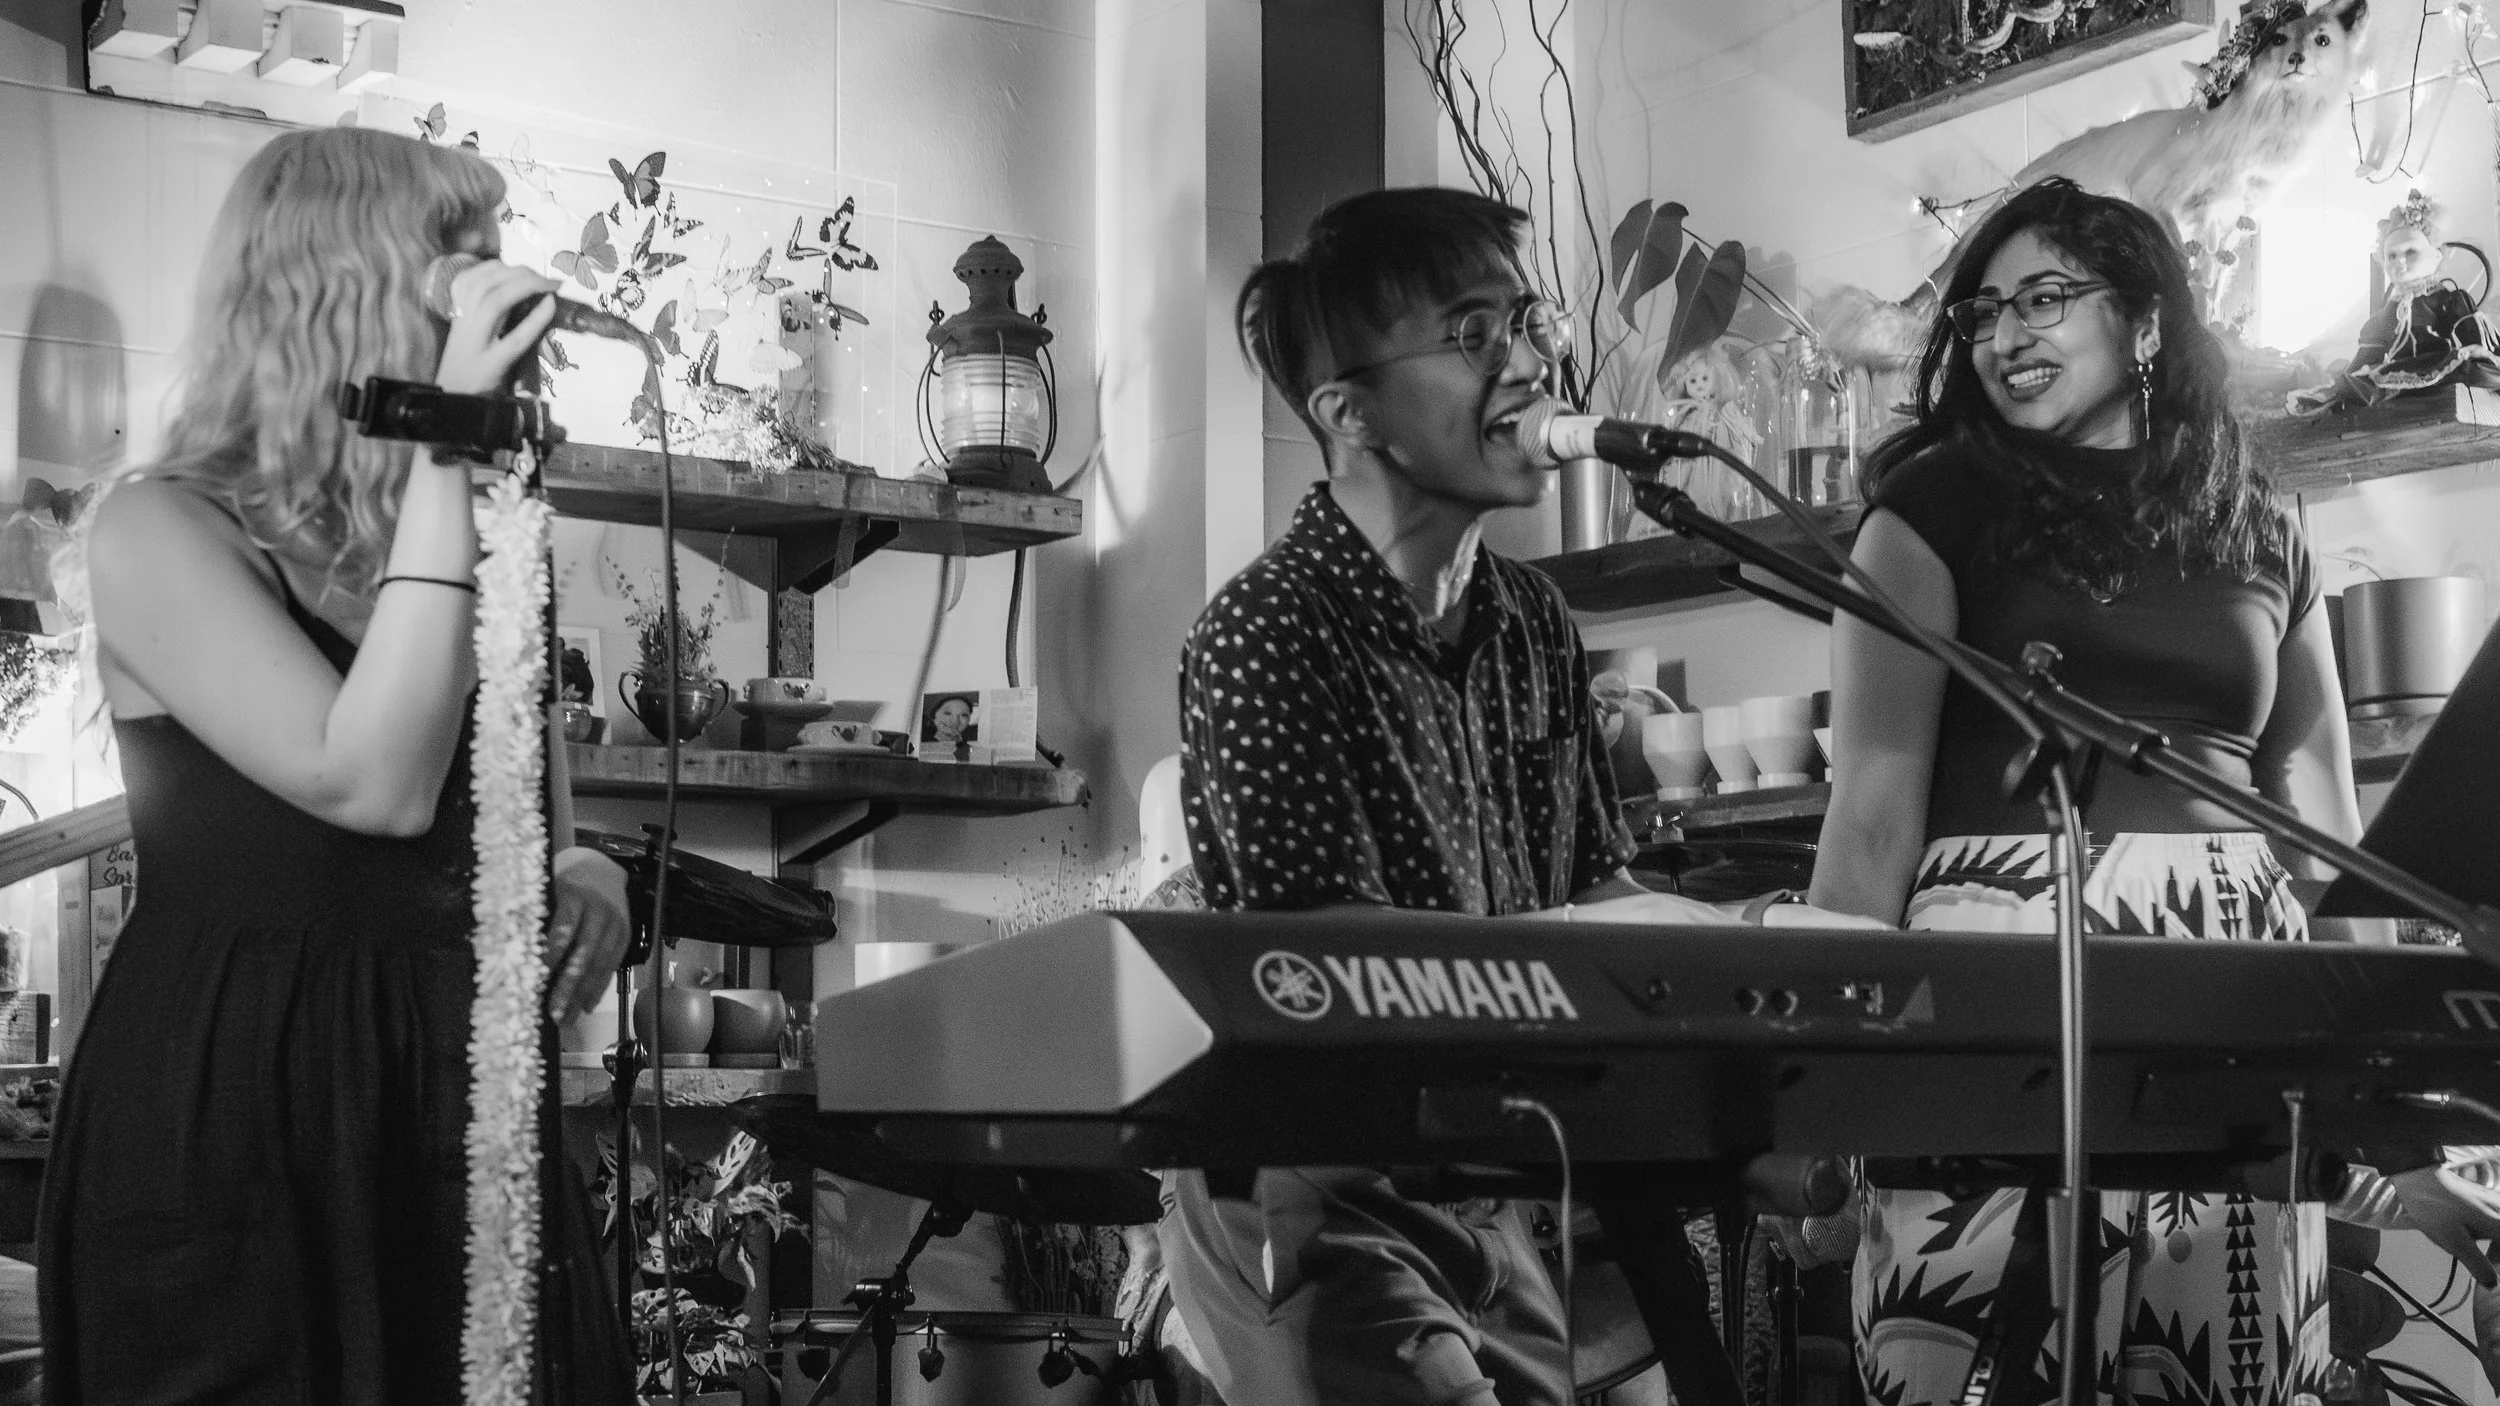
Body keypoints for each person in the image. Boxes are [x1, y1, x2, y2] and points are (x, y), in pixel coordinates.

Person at [1807, 176, 2499, 1406]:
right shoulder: (1930, 507)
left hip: (2237, 978)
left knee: (2229, 1360)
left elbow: (2315, 810)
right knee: (1981, 1355)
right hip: (2010, 965)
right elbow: (1868, 807)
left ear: (2142, 326)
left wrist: (2377, 1081)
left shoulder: (2257, 518)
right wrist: (1814, 1084)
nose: (2006, 335)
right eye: (1981, 313)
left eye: (2044, 298)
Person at [40, 127, 636, 1403]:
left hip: (454, 1087)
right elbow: (374, 779)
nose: (495, 285)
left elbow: (515, 795)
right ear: (349, 286)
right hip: (251, 1092)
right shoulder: (159, 529)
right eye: (458, 259)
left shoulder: (461, 525)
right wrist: (451, 445)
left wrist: (588, 867)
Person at [1162, 186, 1734, 1406]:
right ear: (1349, 412)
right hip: (1326, 1187)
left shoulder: (1531, 619)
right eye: (1474, 335)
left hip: (1503, 1175)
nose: (1528, 363)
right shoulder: (1265, 630)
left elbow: (1591, 882)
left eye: (1524, 323)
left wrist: (1733, 948)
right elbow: (1323, 961)